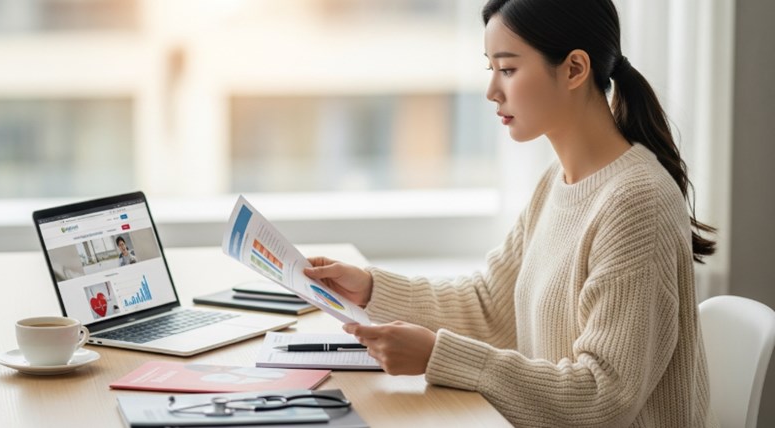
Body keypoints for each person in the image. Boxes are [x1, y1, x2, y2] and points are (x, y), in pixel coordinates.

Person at [303, 0, 718, 426]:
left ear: (575, 69)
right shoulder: (557, 182)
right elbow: (490, 308)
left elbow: (601, 398)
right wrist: (372, 291)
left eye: (509, 70)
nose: (492, 92)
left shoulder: (636, 204)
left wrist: (438, 356)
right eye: (492, 69)